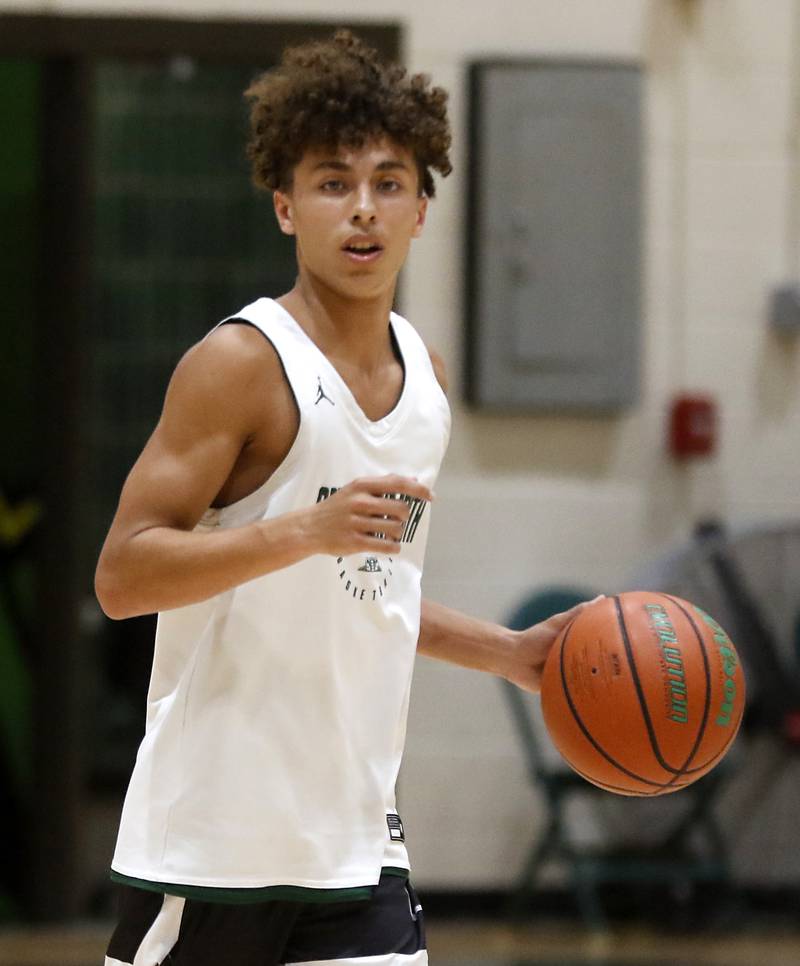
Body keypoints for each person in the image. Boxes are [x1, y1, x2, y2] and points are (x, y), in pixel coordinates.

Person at [96, 30, 587, 966]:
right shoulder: (239, 364)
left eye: (388, 182)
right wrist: (300, 531)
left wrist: (514, 655)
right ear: (286, 208)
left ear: (422, 209)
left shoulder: (425, 385)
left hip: (359, 847)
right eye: (332, 183)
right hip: (212, 847)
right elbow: (122, 578)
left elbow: (372, 589)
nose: (362, 210)